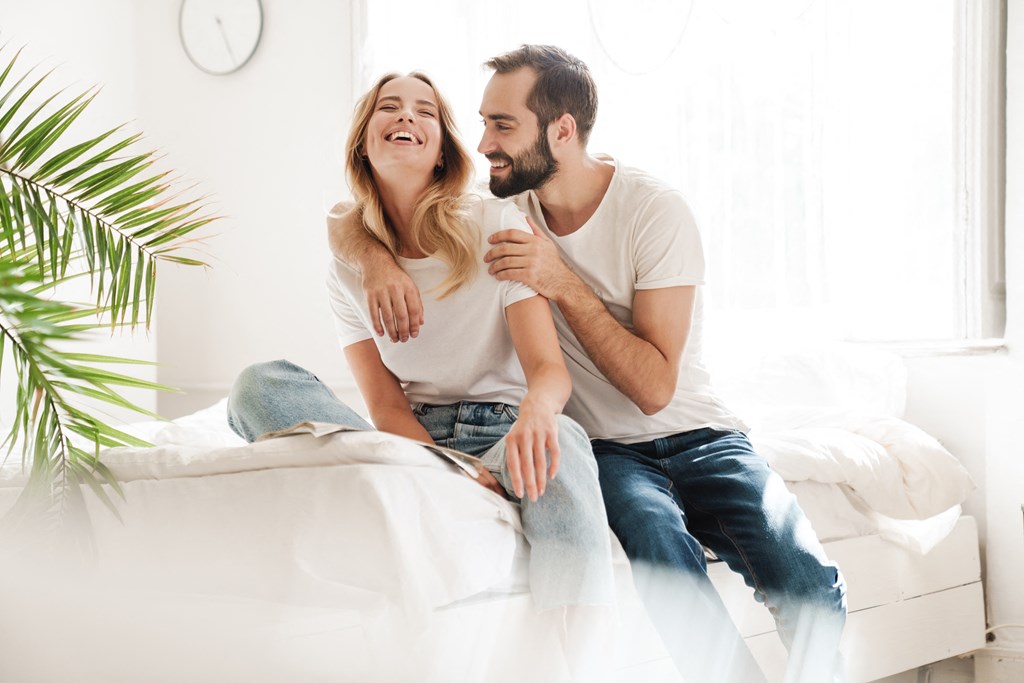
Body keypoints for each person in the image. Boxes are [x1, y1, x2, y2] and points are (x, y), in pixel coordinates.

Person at [328, 46, 847, 683]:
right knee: (663, 556)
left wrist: (561, 279)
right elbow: (355, 212)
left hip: (702, 436)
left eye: (502, 126)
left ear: (561, 131)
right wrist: (372, 260)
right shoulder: (506, 210)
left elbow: (656, 389)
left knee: (807, 582)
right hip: (604, 450)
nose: (484, 140)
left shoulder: (652, 211)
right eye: (484, 123)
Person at [227, 71, 615, 680]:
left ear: (441, 151)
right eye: (389, 107)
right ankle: (440, 487)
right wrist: (436, 465)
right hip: (412, 446)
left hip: (502, 441)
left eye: (424, 112)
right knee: (258, 383)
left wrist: (539, 414)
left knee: (565, 443)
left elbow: (547, 371)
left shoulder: (497, 224)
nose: (406, 117)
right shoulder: (349, 269)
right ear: (364, 141)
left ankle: (580, 662)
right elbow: (384, 405)